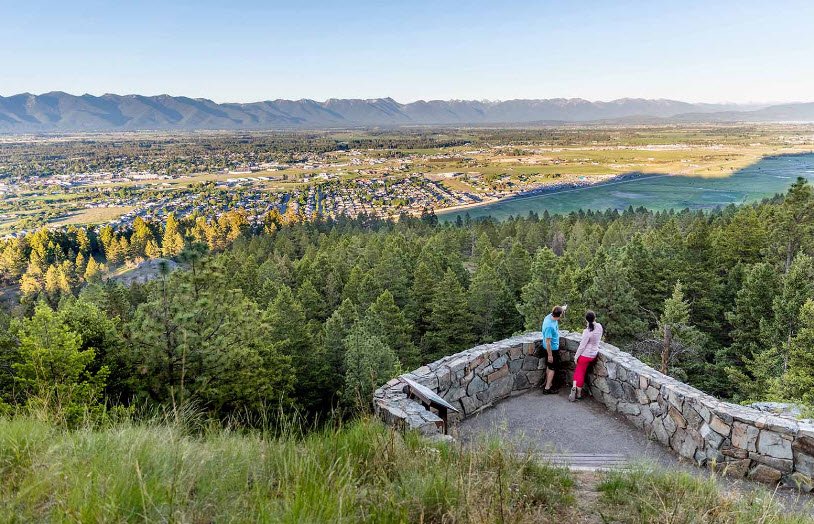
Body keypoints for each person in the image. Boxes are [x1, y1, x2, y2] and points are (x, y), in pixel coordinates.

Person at [569, 310, 603, 402]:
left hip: (585, 355)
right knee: (581, 371)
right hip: (594, 354)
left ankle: (577, 392)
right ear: (595, 318)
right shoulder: (599, 327)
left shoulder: (587, 332)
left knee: (579, 373)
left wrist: (576, 357)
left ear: (586, 320)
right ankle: (576, 389)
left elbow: (582, 346)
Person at [541, 304, 566, 394]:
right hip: (552, 350)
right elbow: (548, 342)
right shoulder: (549, 326)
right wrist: (550, 355)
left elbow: (558, 310)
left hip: (549, 348)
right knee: (552, 368)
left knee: (549, 366)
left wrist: (563, 308)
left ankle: (548, 383)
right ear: (559, 315)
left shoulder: (549, 316)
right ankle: (547, 388)